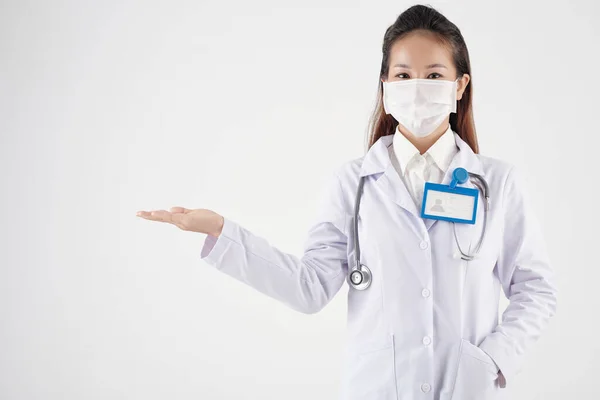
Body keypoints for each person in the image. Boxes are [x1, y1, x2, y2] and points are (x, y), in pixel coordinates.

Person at [136, 4, 557, 400]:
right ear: (386, 86)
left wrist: (493, 358)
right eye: (403, 75)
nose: (417, 88)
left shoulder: (497, 184)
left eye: (433, 76)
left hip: (463, 387)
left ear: (460, 85)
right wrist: (221, 231)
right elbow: (310, 287)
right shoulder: (352, 183)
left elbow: (536, 289)